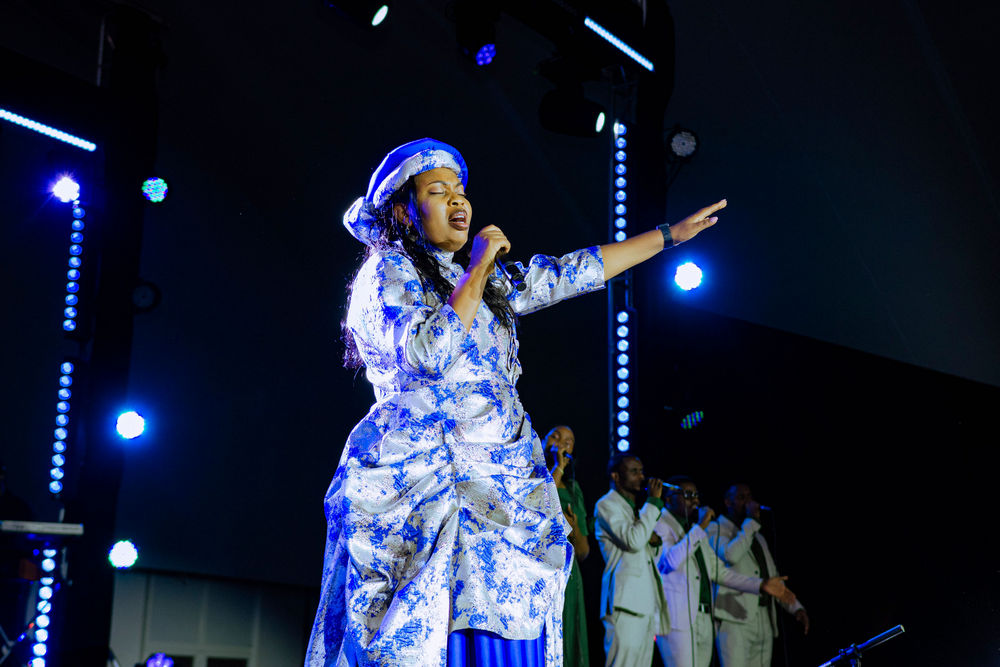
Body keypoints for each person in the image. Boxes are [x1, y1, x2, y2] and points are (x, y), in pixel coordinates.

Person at [306, 137, 723, 666]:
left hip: (502, 482)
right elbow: (427, 353)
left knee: (507, 618)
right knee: (429, 630)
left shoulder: (482, 284)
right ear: (403, 212)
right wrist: (478, 269)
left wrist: (668, 237)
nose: (457, 198)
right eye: (437, 190)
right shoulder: (389, 270)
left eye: (460, 189)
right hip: (429, 479)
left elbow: (571, 273)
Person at [654, 477, 793, 667]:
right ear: (669, 499)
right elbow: (670, 562)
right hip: (678, 619)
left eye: (696, 495)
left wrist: (760, 585)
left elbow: (719, 572)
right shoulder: (660, 523)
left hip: (704, 617)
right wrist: (701, 526)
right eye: (687, 494)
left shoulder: (693, 530)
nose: (695, 500)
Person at [708, 484, 808, 667]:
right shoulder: (716, 528)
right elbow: (730, 555)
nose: (748, 502)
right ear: (728, 502)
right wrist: (751, 522)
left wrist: (795, 608)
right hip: (734, 618)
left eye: (749, 497)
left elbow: (773, 578)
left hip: (764, 617)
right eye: (741, 497)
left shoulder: (757, 536)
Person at [594, 454, 670, 667]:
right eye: (634, 471)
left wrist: (655, 543)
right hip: (624, 603)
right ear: (616, 476)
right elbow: (633, 541)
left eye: (641, 471)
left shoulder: (635, 509)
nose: (642, 476)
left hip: (644, 603)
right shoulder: (606, 504)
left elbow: (647, 555)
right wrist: (653, 503)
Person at [544, 425, 591, 666]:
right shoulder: (531, 479)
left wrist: (573, 528)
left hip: (570, 575)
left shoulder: (574, 490)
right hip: (543, 571)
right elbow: (544, 498)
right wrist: (558, 468)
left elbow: (583, 551)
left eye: (568, 441)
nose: (561, 443)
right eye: (555, 436)